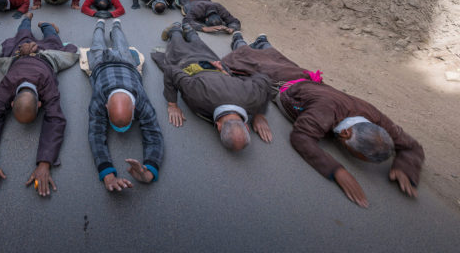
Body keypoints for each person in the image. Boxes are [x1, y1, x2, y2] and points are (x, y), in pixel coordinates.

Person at [221, 34, 425, 208]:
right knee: (249, 59)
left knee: (278, 59)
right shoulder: (325, 111)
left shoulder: (374, 116)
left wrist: (405, 165)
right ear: (345, 134)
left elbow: (411, 146)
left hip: (307, 82)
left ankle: (263, 41)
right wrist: (338, 171)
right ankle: (241, 39)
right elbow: (301, 137)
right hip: (284, 82)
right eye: (356, 155)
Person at [0, 13, 78, 197]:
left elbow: (56, 119)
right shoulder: (8, 83)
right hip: (20, 57)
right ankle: (27, 18)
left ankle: (45, 23)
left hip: (45, 58)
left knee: (50, 39)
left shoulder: (46, 83)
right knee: (24, 34)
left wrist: (45, 162)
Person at [151, 23, 274, 151]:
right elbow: (171, 71)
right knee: (177, 42)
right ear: (219, 126)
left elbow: (264, 80)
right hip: (189, 61)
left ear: (246, 126)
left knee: (197, 43)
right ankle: (177, 29)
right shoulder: (197, 95)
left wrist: (259, 113)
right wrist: (172, 105)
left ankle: (187, 31)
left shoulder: (252, 98)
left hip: (212, 61)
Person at [86, 19, 163, 191]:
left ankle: (115, 26)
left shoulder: (141, 100)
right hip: (103, 64)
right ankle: (101, 25)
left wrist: (150, 170)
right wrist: (107, 173)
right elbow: (96, 134)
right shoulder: (100, 98)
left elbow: (154, 134)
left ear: (135, 107)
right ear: (105, 106)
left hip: (125, 65)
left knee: (115, 43)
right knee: (100, 44)